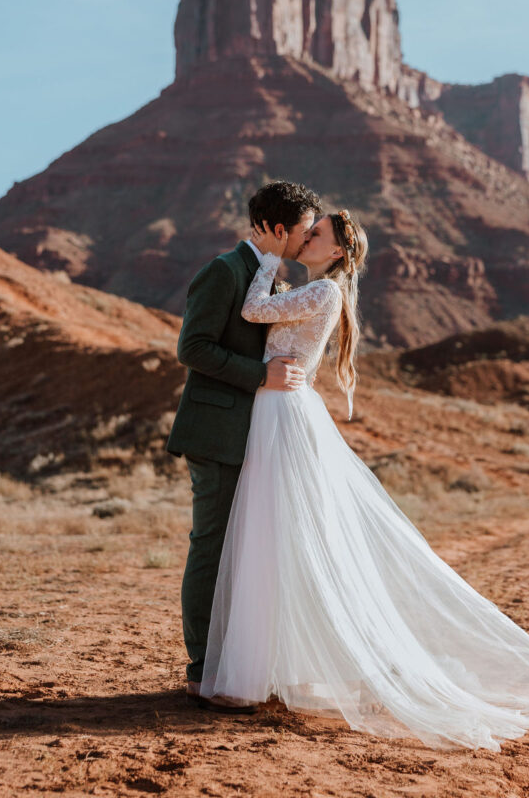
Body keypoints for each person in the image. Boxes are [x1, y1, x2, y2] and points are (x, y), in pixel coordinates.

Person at [198, 209, 529, 750]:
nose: (307, 238)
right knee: (273, 538)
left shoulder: (325, 293)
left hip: (283, 415)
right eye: (307, 232)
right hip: (274, 411)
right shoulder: (313, 289)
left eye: (317, 235)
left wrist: (265, 258)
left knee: (284, 536)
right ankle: (271, 670)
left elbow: (253, 309)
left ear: (337, 252)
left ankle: (286, 674)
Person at [166, 181, 322, 708]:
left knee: (250, 550)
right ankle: (200, 669)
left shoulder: (272, 281)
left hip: (258, 437)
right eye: (303, 231)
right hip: (216, 434)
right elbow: (193, 348)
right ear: (278, 229)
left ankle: (240, 665)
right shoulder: (224, 271)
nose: (306, 242)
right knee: (212, 546)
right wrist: (261, 376)